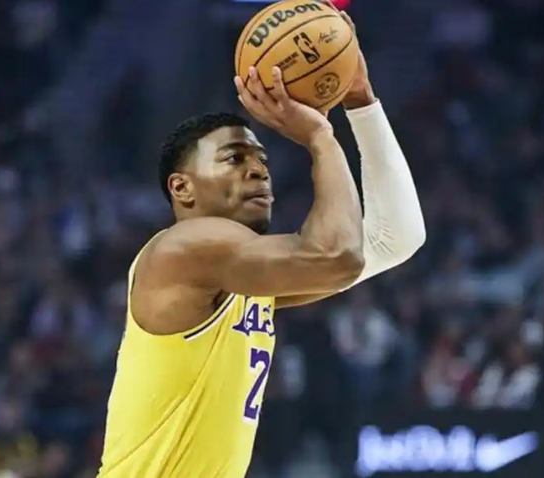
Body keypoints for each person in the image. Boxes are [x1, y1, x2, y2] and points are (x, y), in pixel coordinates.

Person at [97, 5, 426, 478]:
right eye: (234, 158)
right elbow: (337, 255)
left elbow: (395, 239)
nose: (257, 170)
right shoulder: (182, 248)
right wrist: (320, 136)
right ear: (182, 188)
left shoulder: (243, 283)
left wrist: (361, 100)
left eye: (262, 159)